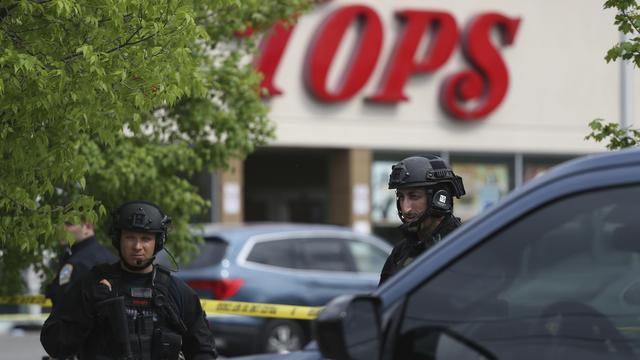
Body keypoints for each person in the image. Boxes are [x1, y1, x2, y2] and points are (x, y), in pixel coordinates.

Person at [40, 200, 218, 360]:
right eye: (130, 237)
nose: (137, 246)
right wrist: (88, 309)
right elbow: (55, 345)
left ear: (158, 242)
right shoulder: (93, 284)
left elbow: (203, 349)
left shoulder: (176, 291)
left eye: (146, 239)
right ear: (119, 239)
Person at [379, 155, 466, 286]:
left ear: (440, 198)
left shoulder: (466, 246)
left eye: (414, 196)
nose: (406, 208)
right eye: (401, 197)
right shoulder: (400, 253)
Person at [45, 221, 117, 307]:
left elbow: (61, 300)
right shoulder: (113, 258)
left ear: (87, 226)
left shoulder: (76, 262)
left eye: (69, 224)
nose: (62, 229)